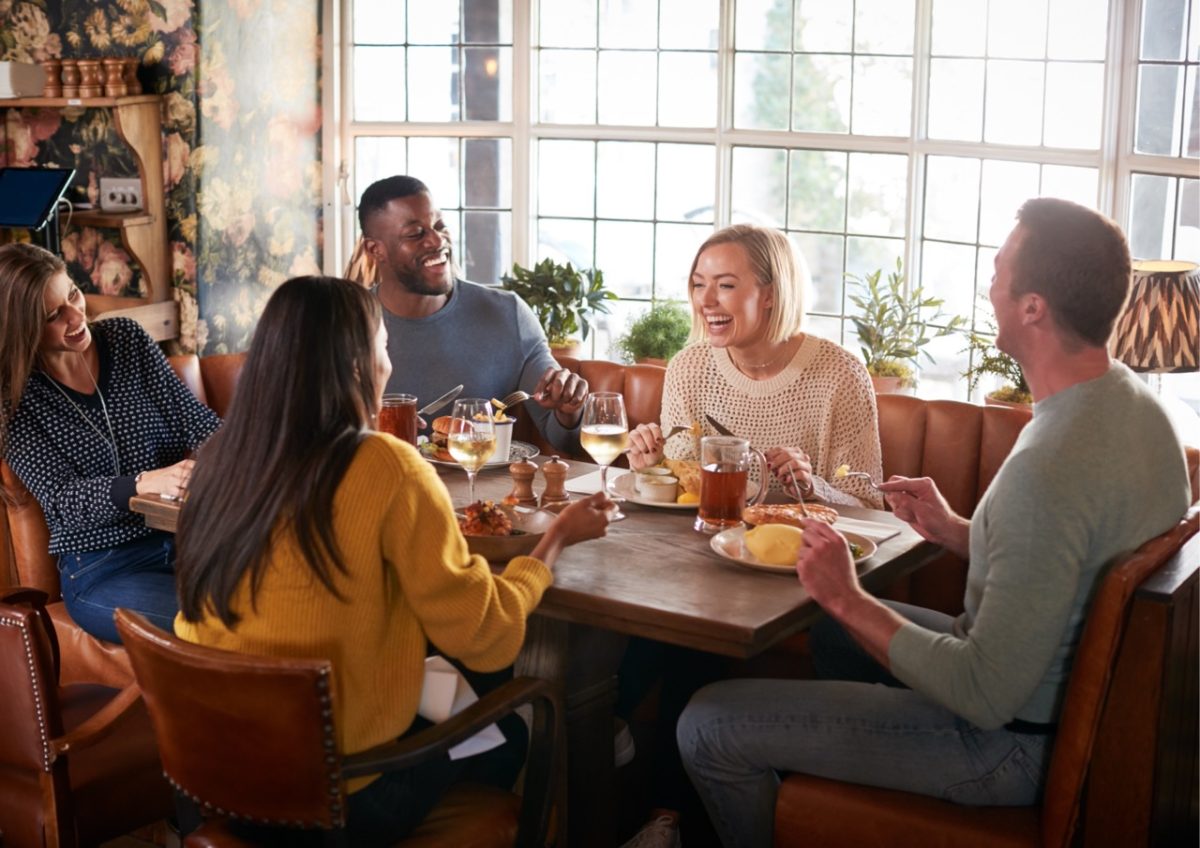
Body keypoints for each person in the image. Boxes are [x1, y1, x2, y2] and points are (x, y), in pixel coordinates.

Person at [675, 199, 1192, 848]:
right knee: (835, 639)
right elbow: (1061, 557)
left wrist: (845, 594)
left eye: (1000, 272)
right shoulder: (1134, 410)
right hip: (1039, 697)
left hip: (1007, 746)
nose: (990, 285)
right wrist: (955, 531)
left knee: (708, 724)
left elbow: (982, 693)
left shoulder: (1050, 466)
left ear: (1033, 307)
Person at [173, 275, 614, 845]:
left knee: (439, 681)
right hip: (341, 800)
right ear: (358, 365)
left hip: (218, 781)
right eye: (383, 345)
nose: (389, 360)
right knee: (509, 730)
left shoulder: (217, 458)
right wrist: (550, 542)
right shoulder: (387, 465)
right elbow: (486, 635)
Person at [0, 243, 219, 643]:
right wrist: (142, 483)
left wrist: (245, 453)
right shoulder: (14, 401)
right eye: (54, 316)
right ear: (21, 328)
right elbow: (65, 500)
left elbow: (197, 422)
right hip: (102, 568)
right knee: (218, 624)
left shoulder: (125, 340)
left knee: (280, 600)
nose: (75, 316)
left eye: (72, 294)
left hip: (187, 541)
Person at [626, 223, 882, 508]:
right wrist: (650, 465)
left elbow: (868, 507)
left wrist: (812, 488)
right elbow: (684, 488)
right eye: (699, 284)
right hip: (703, 540)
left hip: (792, 548)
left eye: (725, 285)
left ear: (770, 294)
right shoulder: (687, 368)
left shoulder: (841, 375)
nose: (706, 301)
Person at [357, 175, 587, 453]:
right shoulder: (346, 327)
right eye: (416, 234)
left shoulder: (507, 314)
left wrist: (569, 409)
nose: (437, 240)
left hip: (483, 493)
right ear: (375, 249)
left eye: (440, 226)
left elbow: (563, 438)